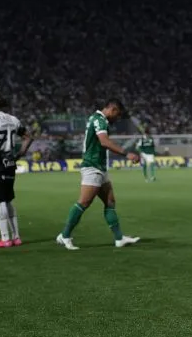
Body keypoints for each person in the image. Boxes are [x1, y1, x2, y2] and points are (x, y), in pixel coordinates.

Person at [56, 99, 142, 251]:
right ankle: (65, 235)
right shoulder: (99, 120)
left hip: (100, 167)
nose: (117, 118)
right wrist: (126, 153)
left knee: (110, 202)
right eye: (117, 114)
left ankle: (119, 238)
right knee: (83, 202)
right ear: (112, 109)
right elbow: (104, 142)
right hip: (92, 166)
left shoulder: (99, 120)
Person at [0, 94, 32, 248]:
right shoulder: (13, 119)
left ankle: (5, 239)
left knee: (0, 200)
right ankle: (16, 237)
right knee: (8, 199)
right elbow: (28, 138)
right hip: (10, 162)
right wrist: (19, 155)